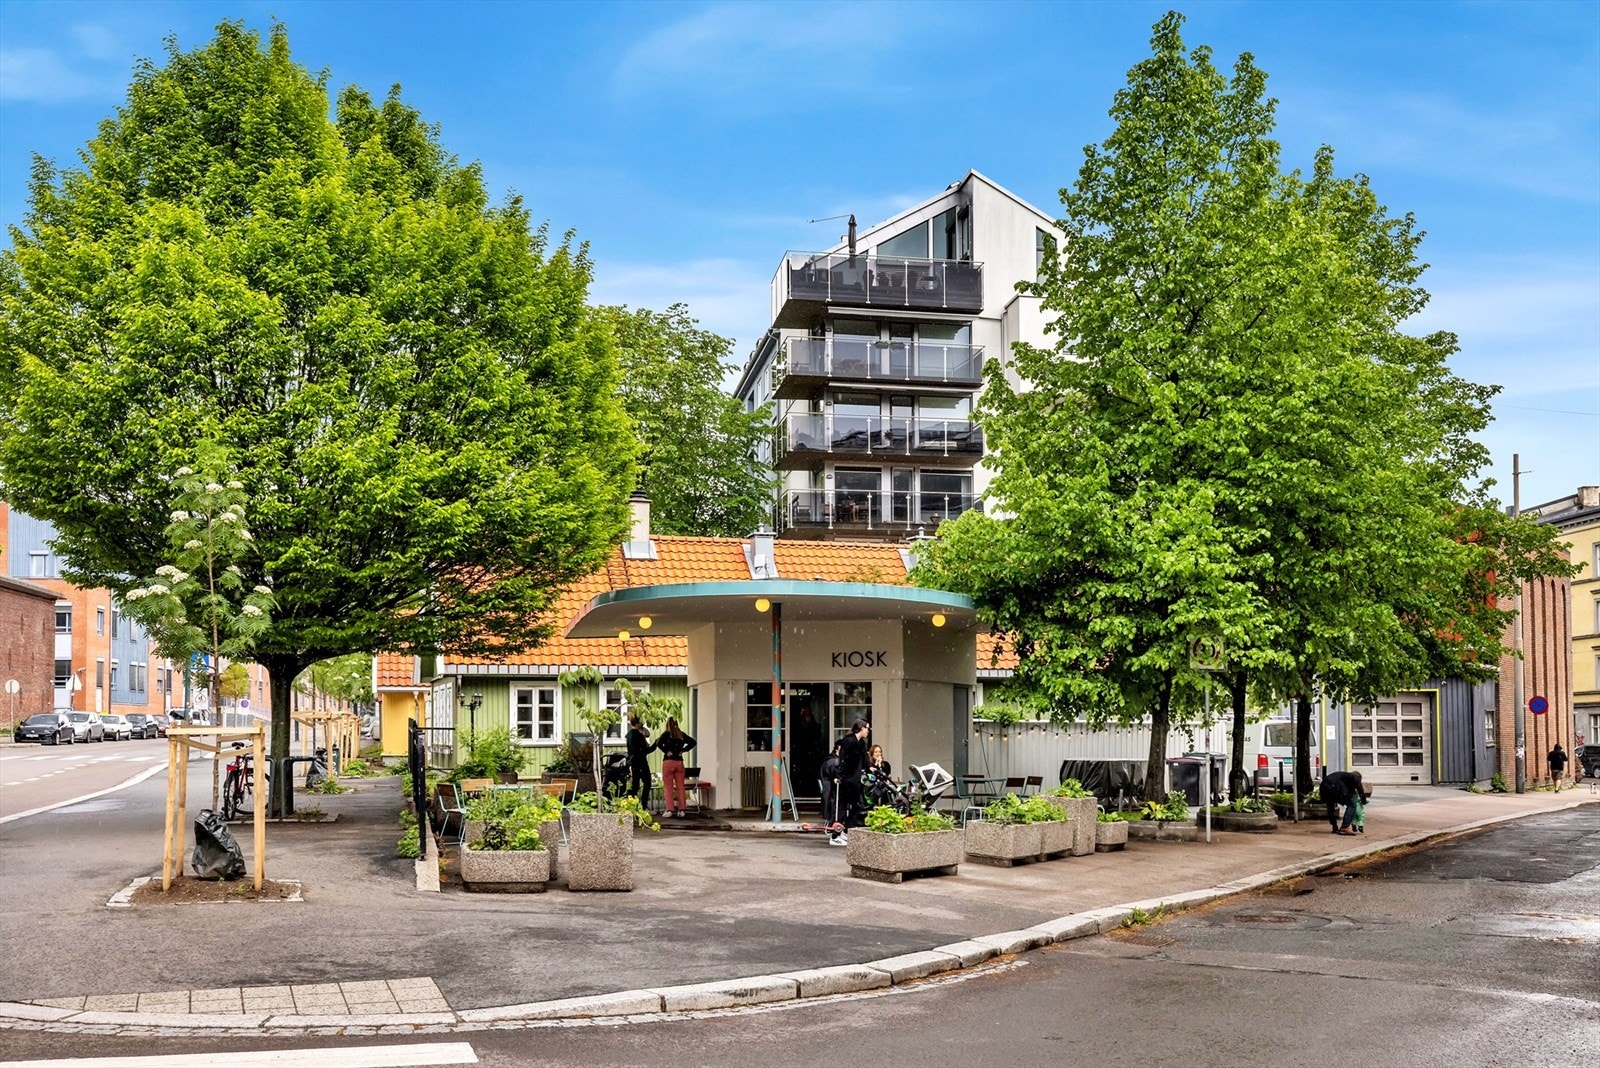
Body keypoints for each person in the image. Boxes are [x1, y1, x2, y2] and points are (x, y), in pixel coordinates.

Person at [650, 717, 696, 817]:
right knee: (680, 787)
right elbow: (693, 742)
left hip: (668, 762)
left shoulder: (666, 734)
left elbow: (658, 743)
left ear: (667, 724)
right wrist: (683, 750)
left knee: (668, 787)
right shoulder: (681, 735)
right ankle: (682, 810)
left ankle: (670, 810)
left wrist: (666, 751)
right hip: (679, 762)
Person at [837, 719, 871, 830]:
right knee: (843, 805)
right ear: (862, 728)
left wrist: (871, 768)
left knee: (857, 804)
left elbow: (865, 761)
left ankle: (848, 827)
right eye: (867, 728)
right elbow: (843, 760)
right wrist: (840, 776)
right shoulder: (848, 741)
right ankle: (838, 831)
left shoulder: (862, 743)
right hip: (847, 779)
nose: (868, 731)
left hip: (855, 779)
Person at [1320, 770, 1370, 835]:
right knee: (1352, 805)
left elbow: (1350, 790)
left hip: (1324, 786)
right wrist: (1363, 800)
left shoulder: (1344, 777)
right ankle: (1344, 827)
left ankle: (1334, 826)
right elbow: (1360, 789)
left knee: (1330, 805)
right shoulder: (1355, 776)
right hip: (1335, 786)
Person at [819, 740, 845, 845]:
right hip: (833, 793)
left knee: (841, 807)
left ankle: (839, 832)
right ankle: (835, 835)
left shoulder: (833, 760)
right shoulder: (832, 761)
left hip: (833, 792)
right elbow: (833, 776)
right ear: (838, 748)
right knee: (838, 808)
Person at [625, 715, 652, 808]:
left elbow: (647, 734)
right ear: (637, 723)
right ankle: (644, 805)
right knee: (647, 782)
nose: (642, 724)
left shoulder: (629, 734)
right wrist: (655, 744)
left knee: (635, 784)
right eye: (641, 722)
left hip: (633, 762)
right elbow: (645, 750)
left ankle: (633, 804)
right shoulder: (638, 735)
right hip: (641, 761)